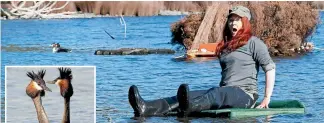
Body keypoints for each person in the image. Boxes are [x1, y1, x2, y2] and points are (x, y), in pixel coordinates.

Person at [128, 6, 276, 117]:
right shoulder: (226, 46)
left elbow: (270, 68)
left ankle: (189, 108)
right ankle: (147, 107)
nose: (233, 23)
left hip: (245, 96)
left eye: (237, 20)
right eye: (231, 20)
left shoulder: (254, 43)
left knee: (217, 93)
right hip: (226, 93)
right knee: (190, 95)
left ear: (245, 23)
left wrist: (266, 98)